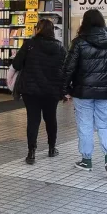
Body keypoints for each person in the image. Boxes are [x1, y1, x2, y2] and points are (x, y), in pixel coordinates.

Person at [63, 9, 107, 177]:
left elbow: (68, 68)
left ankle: (86, 160)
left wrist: (65, 90)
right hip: (106, 92)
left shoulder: (79, 42)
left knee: (85, 125)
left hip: (83, 91)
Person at [12, 19, 66, 165]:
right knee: (51, 119)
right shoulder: (60, 47)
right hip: (52, 91)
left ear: (38, 30)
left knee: (33, 120)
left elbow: (16, 64)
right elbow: (65, 69)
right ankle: (51, 148)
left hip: (31, 91)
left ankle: (31, 152)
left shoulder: (29, 45)